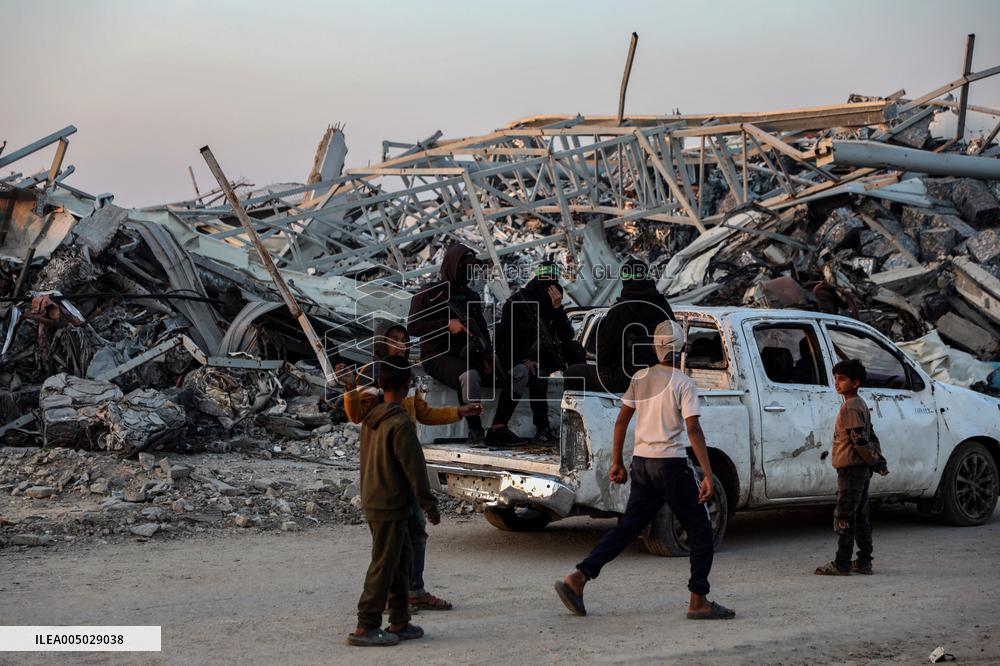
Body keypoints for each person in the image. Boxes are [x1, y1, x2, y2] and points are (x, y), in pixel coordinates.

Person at [554, 320, 735, 620]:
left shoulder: (640, 377)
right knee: (702, 529)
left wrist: (617, 461)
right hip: (672, 465)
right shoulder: (683, 383)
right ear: (681, 350)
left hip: (642, 464)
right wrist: (706, 473)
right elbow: (693, 429)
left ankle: (578, 578)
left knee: (627, 527)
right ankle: (698, 599)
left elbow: (622, 421)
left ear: (655, 347)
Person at [343, 321, 482, 610]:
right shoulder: (372, 374)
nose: (401, 345)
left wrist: (460, 411)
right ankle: (386, 604)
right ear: (381, 342)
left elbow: (423, 413)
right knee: (391, 543)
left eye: (404, 340)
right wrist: (350, 390)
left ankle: (411, 592)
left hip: (405, 463)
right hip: (385, 468)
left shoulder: (409, 376)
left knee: (415, 532)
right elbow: (357, 415)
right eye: (394, 340)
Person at [348, 357, 440, 647]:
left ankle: (400, 620)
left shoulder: (372, 420)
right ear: (407, 386)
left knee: (401, 560)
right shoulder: (400, 423)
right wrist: (429, 504)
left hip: (375, 499)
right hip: (390, 503)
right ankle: (366, 625)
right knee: (384, 564)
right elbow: (415, 469)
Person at [408, 243, 529, 447]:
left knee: (519, 372)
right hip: (438, 356)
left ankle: (499, 427)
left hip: (472, 355)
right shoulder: (430, 293)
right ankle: (475, 431)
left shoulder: (471, 296)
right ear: (453, 266)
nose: (469, 273)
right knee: (469, 375)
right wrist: (447, 325)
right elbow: (413, 326)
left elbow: (481, 329)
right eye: (465, 267)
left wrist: (488, 355)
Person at [495, 261, 586, 444]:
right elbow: (503, 341)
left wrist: (558, 308)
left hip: (546, 353)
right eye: (545, 280)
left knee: (575, 349)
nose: (549, 286)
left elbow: (567, 335)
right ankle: (542, 429)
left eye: (553, 280)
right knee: (539, 374)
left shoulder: (553, 301)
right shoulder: (517, 303)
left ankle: (580, 406)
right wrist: (522, 361)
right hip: (518, 358)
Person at [815, 359, 889, 576]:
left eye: (842, 379)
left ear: (855, 382)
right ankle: (864, 561)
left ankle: (842, 563)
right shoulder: (859, 403)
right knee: (861, 516)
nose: (837, 383)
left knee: (845, 516)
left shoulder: (850, 406)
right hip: (861, 469)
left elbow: (860, 440)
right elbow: (870, 435)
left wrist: (875, 462)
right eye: (836, 378)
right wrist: (879, 461)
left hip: (851, 471)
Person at [565, 257, 675, 394]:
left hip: (626, 379)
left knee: (572, 373)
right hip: (661, 377)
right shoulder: (663, 306)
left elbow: (605, 351)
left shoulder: (621, 309)